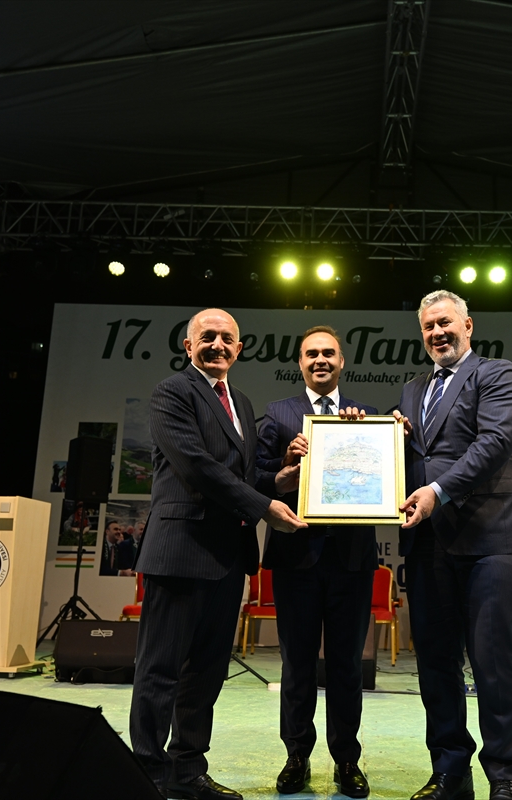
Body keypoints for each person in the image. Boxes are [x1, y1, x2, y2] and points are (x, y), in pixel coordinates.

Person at [129, 308, 307, 800]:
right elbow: (197, 466)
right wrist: (264, 506)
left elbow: (241, 476)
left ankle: (187, 772)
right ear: (188, 346)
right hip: (180, 552)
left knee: (206, 674)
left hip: (228, 557)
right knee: (160, 670)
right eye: (207, 337)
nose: (218, 345)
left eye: (227, 338)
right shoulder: (172, 392)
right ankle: (148, 775)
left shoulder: (242, 403)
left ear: (239, 348)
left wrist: (279, 482)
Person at [387, 290, 512, 800]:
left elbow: (493, 444)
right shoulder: (412, 390)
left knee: (494, 661)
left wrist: (436, 490)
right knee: (435, 663)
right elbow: (405, 452)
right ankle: (450, 772)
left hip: (492, 535)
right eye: (428, 326)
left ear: (468, 325)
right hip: (429, 541)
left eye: (445, 322)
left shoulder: (497, 374)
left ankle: (504, 776)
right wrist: (370, 435)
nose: (438, 332)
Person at [256, 326, 376, 798]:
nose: (320, 360)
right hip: (296, 557)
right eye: (312, 354)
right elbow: (259, 479)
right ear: (300, 363)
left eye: (329, 353)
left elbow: (385, 473)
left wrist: (381, 435)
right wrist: (286, 465)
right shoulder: (278, 414)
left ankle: (347, 760)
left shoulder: (365, 419)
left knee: (347, 665)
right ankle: (296, 756)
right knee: (297, 664)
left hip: (352, 559)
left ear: (342, 361)